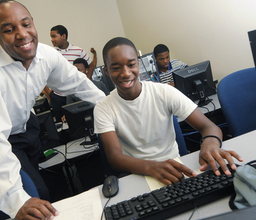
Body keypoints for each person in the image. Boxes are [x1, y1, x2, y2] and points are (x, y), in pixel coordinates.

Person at [0, 1, 105, 219]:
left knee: (48, 180)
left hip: (25, 123)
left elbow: (79, 84)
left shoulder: (46, 55)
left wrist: (114, 110)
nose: (22, 34)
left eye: (26, 24)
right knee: (32, 194)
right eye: (9, 30)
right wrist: (17, 200)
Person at [94, 37, 243, 186]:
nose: (126, 73)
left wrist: (210, 144)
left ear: (138, 63)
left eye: (131, 64)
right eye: (116, 68)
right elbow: (114, 157)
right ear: (106, 71)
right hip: (137, 175)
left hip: (175, 168)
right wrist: (152, 167)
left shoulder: (164, 92)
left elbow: (209, 127)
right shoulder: (103, 108)